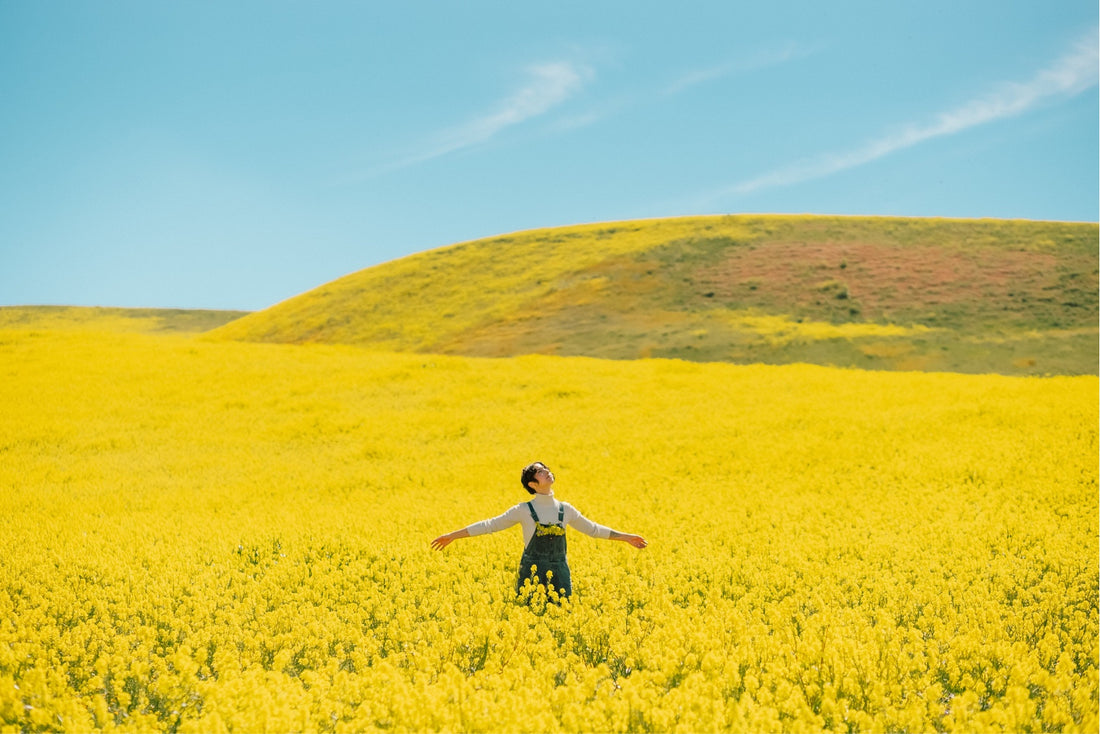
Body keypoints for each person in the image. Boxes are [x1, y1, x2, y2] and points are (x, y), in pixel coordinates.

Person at [431, 462, 647, 599]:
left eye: (546, 470)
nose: (547, 472)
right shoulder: (524, 510)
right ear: (533, 485)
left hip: (560, 573)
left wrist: (626, 537)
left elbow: (593, 529)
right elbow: (490, 525)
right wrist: (453, 536)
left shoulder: (566, 510)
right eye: (540, 472)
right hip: (531, 573)